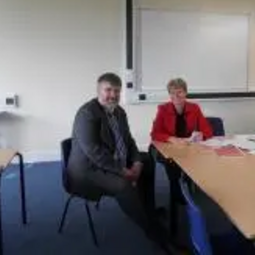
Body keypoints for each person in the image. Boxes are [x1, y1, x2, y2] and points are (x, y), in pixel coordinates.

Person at [68, 72, 175, 254]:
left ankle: (148, 211)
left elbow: (129, 140)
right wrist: (122, 170)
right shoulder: (86, 114)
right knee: (123, 184)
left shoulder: (119, 112)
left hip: (113, 158)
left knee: (147, 160)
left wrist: (137, 162)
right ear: (98, 91)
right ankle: (156, 234)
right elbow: (95, 153)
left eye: (117, 91)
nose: (113, 95)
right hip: (87, 170)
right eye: (108, 90)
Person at [150, 78, 213, 235]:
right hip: (166, 147)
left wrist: (201, 135)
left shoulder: (194, 108)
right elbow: (155, 134)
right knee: (172, 164)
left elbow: (208, 131)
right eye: (172, 93)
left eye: (179, 92)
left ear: (185, 92)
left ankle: (187, 186)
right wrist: (171, 139)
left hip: (187, 147)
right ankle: (176, 192)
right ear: (169, 95)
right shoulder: (163, 109)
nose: (176, 97)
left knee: (197, 158)